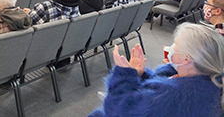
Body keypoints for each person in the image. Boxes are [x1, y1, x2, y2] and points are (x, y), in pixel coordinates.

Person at [89, 23, 224, 117]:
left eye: (175, 46)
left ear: (186, 59)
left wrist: (124, 76)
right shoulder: (212, 79)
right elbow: (158, 89)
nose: (171, 48)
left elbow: (118, 110)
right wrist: (142, 73)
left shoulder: (173, 95)